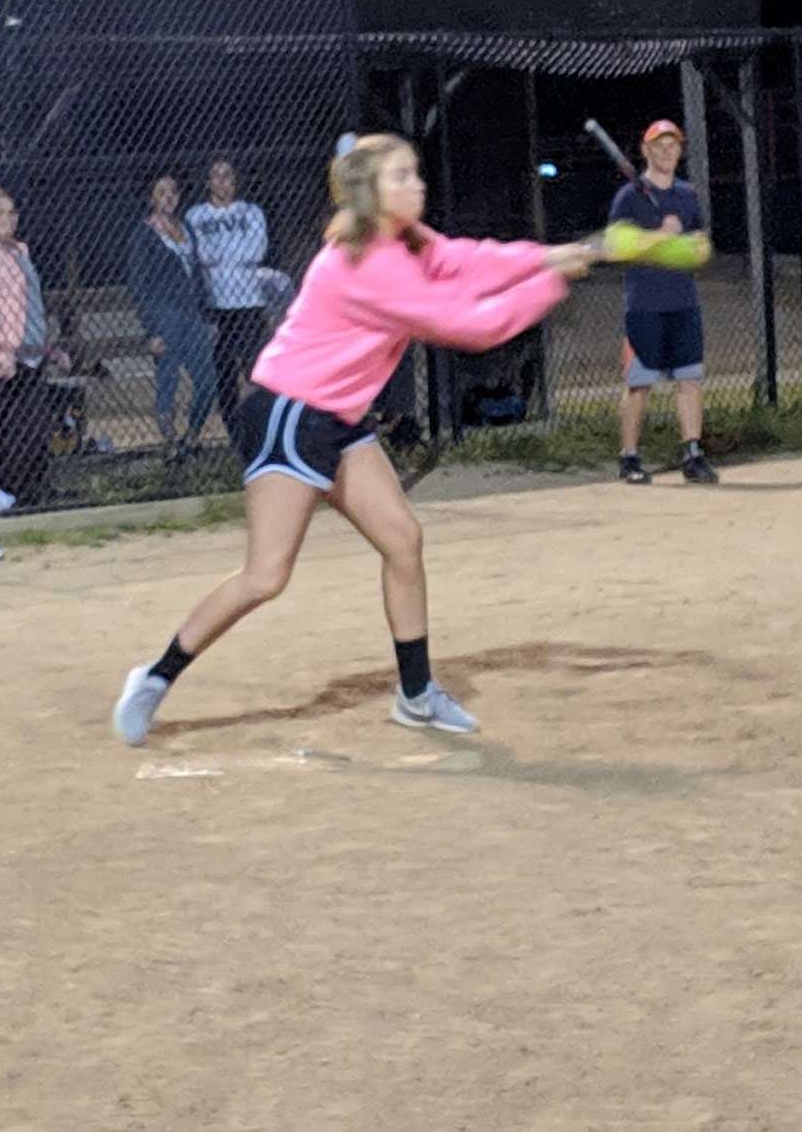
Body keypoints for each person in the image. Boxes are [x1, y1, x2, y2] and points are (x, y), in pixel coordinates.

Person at [112, 133, 596, 745]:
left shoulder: (406, 240)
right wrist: (548, 285)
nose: (417, 184)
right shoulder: (365, 263)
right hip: (292, 411)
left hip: (339, 416)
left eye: (415, 173)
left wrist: (547, 256)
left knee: (402, 538)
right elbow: (466, 323)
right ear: (371, 194)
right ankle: (153, 679)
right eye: (401, 177)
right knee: (266, 576)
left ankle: (416, 695)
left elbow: (468, 262)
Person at [611, 120, 719, 486]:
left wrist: (692, 248)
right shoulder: (629, 197)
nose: (666, 152)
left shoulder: (687, 195)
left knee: (689, 379)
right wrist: (659, 237)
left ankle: (692, 453)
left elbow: (700, 244)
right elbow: (615, 247)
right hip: (644, 305)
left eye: (672, 146)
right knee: (640, 384)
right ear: (645, 151)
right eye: (658, 146)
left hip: (683, 303)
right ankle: (629, 457)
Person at [0, 187, 71, 515]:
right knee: (11, 427)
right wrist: (0, 350)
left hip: (30, 356)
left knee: (31, 429)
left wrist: (50, 349)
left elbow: (32, 309)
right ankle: (7, 493)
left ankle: (18, 492)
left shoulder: (20, 252)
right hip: (3, 361)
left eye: (11, 213)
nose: (7, 219)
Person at [126, 175, 217, 459]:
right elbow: (139, 285)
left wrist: (207, 316)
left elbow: (198, 274)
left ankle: (191, 438)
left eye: (173, 192)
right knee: (168, 380)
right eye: (161, 192)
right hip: (164, 315)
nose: (168, 197)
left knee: (207, 380)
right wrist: (152, 330)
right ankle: (171, 443)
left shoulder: (186, 228)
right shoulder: (144, 233)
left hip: (191, 315)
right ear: (152, 198)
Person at [185, 158, 269, 436]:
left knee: (255, 367)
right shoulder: (196, 216)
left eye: (227, 176)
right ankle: (233, 429)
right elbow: (201, 256)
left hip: (249, 302)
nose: (222, 182)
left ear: (235, 181)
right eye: (216, 176)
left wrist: (222, 256)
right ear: (208, 182)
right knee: (224, 371)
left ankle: (262, 422)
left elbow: (256, 251)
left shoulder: (252, 212)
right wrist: (232, 255)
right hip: (217, 305)